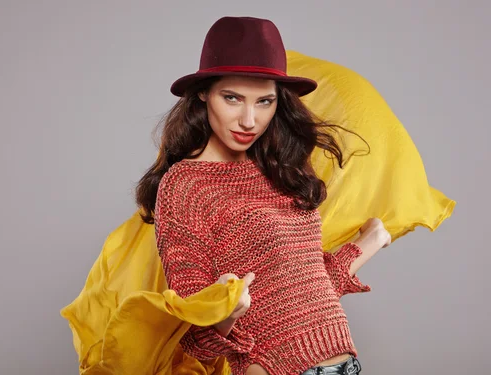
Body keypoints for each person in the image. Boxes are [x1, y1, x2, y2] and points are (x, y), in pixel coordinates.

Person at [135, 16, 391, 375]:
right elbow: (193, 335)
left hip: (347, 364)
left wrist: (369, 242)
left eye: (264, 101)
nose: (249, 120)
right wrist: (226, 310)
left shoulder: (282, 168)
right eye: (232, 98)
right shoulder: (185, 186)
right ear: (204, 93)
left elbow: (305, 284)